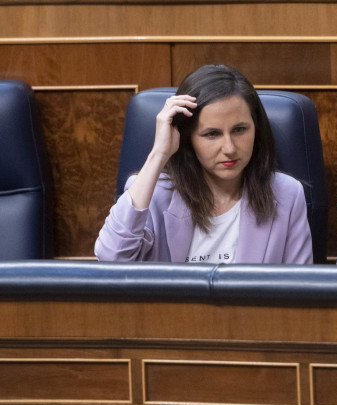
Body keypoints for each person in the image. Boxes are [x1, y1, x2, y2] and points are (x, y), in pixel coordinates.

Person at [95, 64, 313, 264]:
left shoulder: (287, 193)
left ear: (257, 128)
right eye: (212, 134)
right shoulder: (152, 193)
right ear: (188, 138)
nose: (229, 148)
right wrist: (159, 154)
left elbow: (299, 292)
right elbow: (112, 258)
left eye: (239, 130)